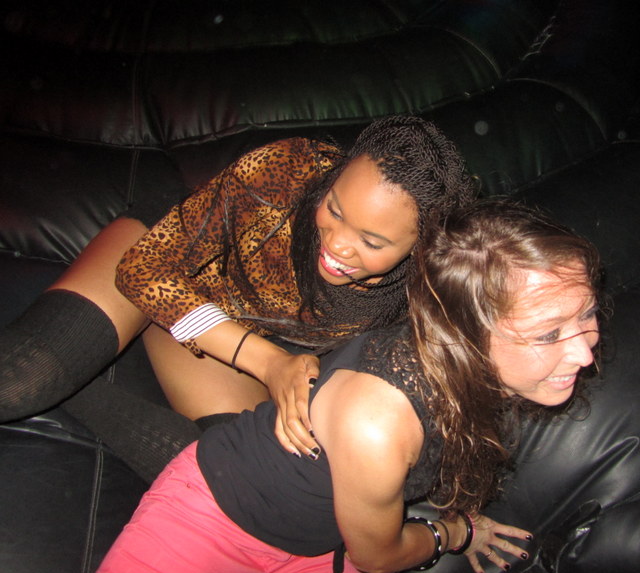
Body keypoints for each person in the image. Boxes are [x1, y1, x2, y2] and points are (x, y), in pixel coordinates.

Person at [82, 199, 602, 573]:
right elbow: (378, 556)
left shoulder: (475, 367)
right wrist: (456, 533)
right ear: (463, 334)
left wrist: (367, 538)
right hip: (213, 520)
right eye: (548, 334)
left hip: (314, 552)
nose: (584, 352)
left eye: (586, 314)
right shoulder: (378, 419)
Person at [0, 115, 477, 481]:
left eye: (371, 242)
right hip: (172, 254)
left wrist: (431, 520)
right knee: (19, 382)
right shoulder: (289, 168)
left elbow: (435, 401)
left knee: (234, 477)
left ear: (422, 247)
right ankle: (63, 370)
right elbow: (144, 271)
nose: (336, 243)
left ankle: (75, 384)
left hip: (223, 326)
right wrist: (270, 363)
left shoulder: (424, 288)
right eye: (333, 209)